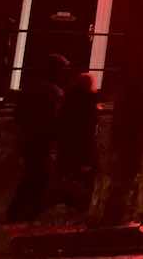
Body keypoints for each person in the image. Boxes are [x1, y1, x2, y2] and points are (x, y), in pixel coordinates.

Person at [8, 53, 68, 222]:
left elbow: (18, 114)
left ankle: (18, 212)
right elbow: (58, 120)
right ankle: (25, 214)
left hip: (29, 139)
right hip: (42, 141)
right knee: (39, 177)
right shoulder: (55, 93)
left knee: (32, 175)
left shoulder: (30, 88)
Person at [57, 72, 99, 213]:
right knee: (84, 179)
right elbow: (88, 129)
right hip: (82, 147)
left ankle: (68, 205)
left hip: (67, 146)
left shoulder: (68, 99)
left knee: (68, 176)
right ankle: (80, 208)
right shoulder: (88, 103)